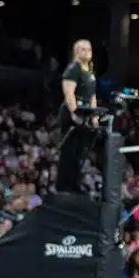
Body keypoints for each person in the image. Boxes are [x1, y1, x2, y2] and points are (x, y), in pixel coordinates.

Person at [56, 39, 99, 193]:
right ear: (76, 52)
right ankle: (64, 186)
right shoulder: (73, 68)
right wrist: (75, 114)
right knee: (69, 150)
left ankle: (75, 183)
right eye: (83, 49)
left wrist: (94, 117)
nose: (87, 51)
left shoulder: (90, 71)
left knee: (80, 151)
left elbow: (92, 95)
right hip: (72, 114)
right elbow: (69, 93)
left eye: (89, 48)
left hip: (85, 113)